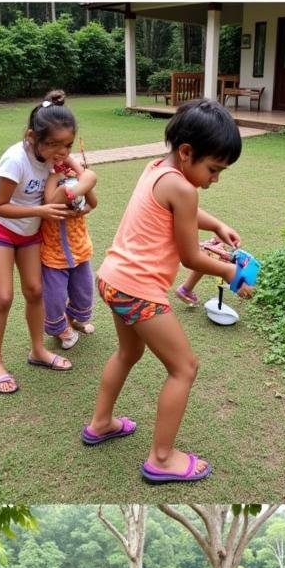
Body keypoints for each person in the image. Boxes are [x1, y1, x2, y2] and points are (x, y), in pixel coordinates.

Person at [82, 98, 253, 481]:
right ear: (187, 152)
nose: (215, 179)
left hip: (112, 277)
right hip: (138, 290)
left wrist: (216, 224)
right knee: (184, 367)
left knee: (128, 352)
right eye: (213, 169)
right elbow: (191, 257)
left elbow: (181, 208)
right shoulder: (185, 189)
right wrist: (229, 272)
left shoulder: (158, 168)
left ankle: (101, 423)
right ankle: (161, 458)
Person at [0, 90, 79, 394]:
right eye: (53, 145)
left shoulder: (56, 156)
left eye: (67, 145)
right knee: (4, 297)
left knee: (35, 291)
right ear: (31, 137)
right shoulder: (15, 160)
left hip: (30, 230)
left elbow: (77, 177)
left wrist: (76, 184)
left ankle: (37, 350)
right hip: (1, 227)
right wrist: (41, 210)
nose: (61, 152)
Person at [41, 124, 99, 350]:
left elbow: (93, 203)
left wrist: (77, 172)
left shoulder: (79, 177)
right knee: (55, 298)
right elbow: (50, 203)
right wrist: (60, 177)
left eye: (67, 149)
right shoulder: (51, 178)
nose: (63, 155)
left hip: (80, 250)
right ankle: (62, 329)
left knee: (83, 292)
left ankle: (73, 321)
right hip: (54, 255)